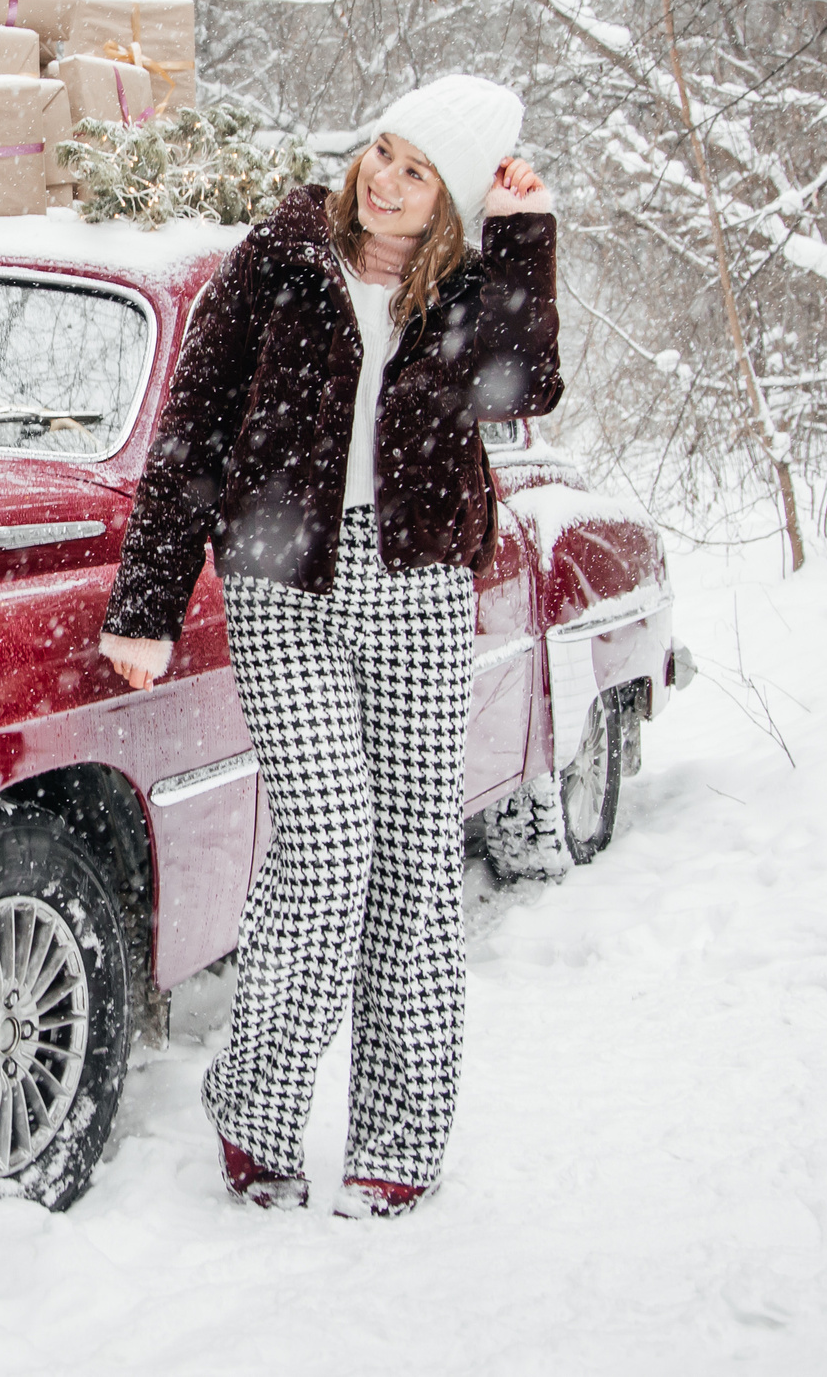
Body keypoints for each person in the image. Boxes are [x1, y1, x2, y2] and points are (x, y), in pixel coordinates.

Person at [96, 74, 560, 1219]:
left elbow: (526, 384)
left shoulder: (462, 286)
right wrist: (147, 604)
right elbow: (193, 427)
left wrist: (522, 238)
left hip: (418, 583)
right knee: (327, 847)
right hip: (283, 581)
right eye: (382, 152)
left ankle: (398, 1138)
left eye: (417, 172)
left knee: (413, 863)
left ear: (453, 199)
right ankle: (255, 1113)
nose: (384, 181)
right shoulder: (280, 260)